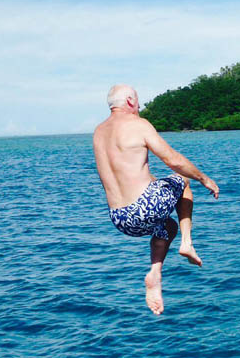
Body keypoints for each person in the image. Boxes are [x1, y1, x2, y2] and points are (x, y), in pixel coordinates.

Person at [93, 84, 219, 315]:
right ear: (130, 101)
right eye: (138, 101)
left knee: (168, 226)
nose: (140, 106)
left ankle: (155, 274)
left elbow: (127, 175)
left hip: (119, 218)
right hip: (143, 209)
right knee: (183, 181)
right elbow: (173, 160)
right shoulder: (138, 124)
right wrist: (204, 179)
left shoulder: (99, 132)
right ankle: (187, 243)